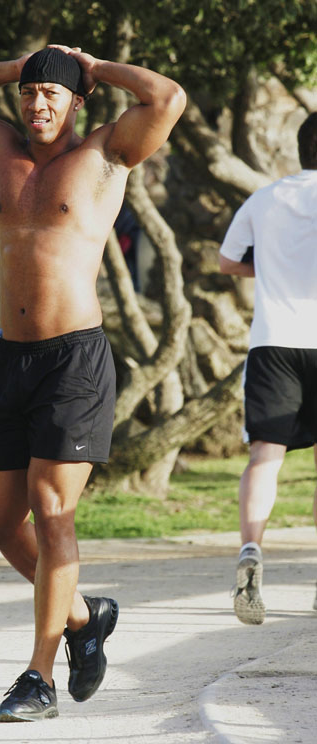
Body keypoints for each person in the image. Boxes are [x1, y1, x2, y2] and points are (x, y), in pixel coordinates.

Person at [0, 44, 185, 721]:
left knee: (49, 502)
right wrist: (13, 69)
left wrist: (94, 66)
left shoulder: (105, 154)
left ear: (76, 102)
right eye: (30, 93)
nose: (37, 105)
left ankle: (37, 677)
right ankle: (84, 616)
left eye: (51, 94)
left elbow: (167, 98)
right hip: (9, 357)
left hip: (74, 359)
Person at [219, 112, 317, 626]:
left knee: (265, 457)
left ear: (301, 150)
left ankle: (251, 551)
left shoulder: (266, 197)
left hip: (274, 343)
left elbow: (228, 262)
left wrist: (274, 264)